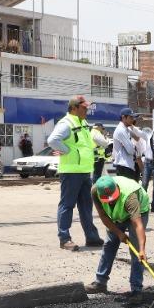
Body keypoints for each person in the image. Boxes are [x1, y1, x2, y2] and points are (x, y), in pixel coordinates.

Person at [46, 95, 104, 251]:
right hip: (71, 171)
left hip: (84, 170)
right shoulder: (66, 123)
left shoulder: (83, 122)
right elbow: (52, 140)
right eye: (84, 108)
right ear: (74, 108)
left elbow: (85, 145)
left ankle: (91, 237)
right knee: (67, 205)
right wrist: (67, 151)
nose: (86, 110)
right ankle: (64, 239)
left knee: (86, 206)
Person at [84, 174, 151, 306]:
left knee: (136, 252)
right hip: (116, 215)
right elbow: (103, 216)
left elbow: (138, 225)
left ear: (117, 189)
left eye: (112, 198)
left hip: (138, 212)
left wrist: (142, 250)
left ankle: (136, 290)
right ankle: (100, 282)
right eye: (107, 199)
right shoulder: (95, 191)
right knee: (109, 244)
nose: (110, 201)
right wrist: (119, 233)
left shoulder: (130, 197)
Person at [110, 108, 142, 182]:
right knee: (127, 188)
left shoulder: (126, 129)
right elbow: (130, 150)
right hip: (124, 166)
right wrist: (134, 147)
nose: (133, 120)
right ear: (123, 117)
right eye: (131, 117)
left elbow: (137, 138)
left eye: (133, 118)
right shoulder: (121, 130)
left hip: (128, 165)